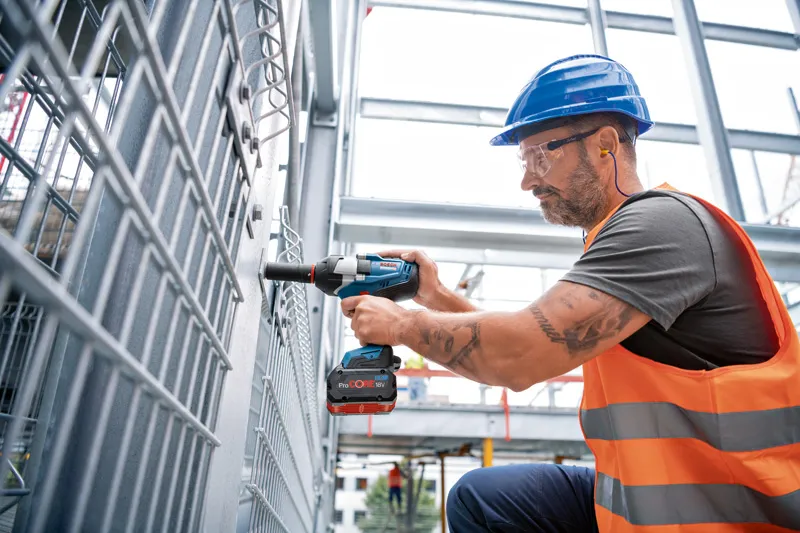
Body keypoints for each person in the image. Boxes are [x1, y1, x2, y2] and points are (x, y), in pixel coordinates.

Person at [340, 54, 800, 532]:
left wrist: (402, 325)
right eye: (524, 160)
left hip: (731, 516)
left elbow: (522, 355)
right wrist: (434, 296)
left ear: (605, 145)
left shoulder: (660, 226)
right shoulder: (615, 240)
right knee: (487, 499)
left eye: (540, 155)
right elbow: (534, 345)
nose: (526, 180)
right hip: (661, 500)